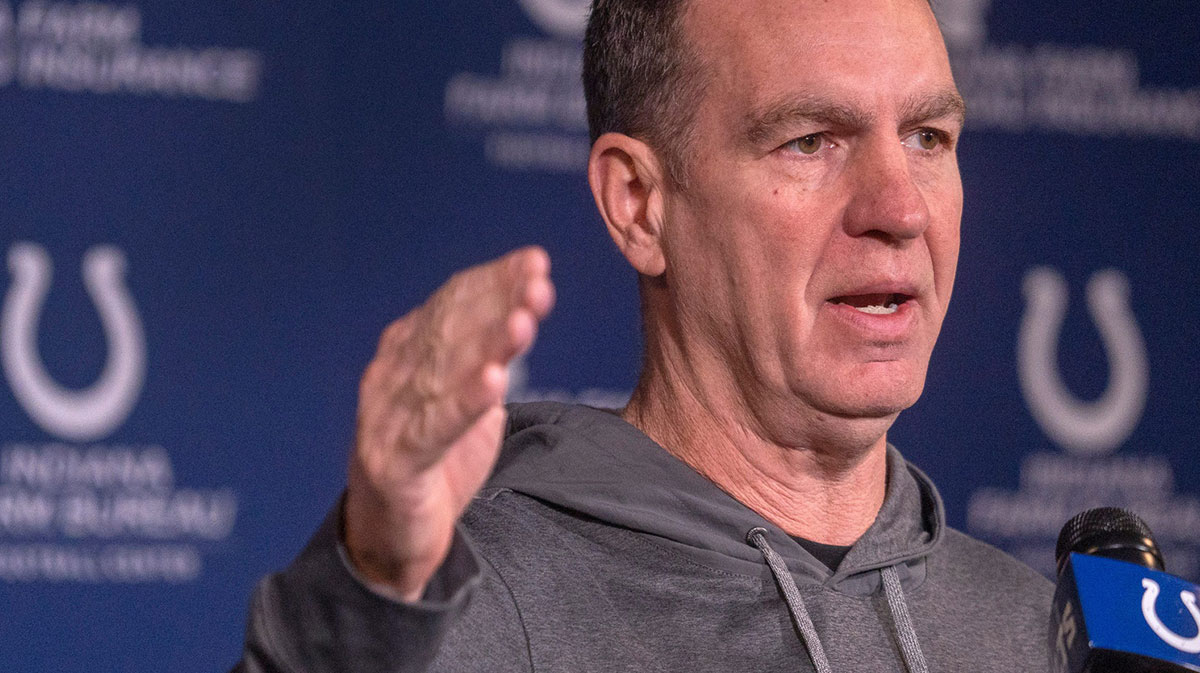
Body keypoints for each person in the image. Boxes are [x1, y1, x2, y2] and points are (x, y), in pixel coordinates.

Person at [236, 0, 1052, 670]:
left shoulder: (1041, 632)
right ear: (638, 203)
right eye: (809, 141)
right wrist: (367, 593)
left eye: (928, 138)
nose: (901, 209)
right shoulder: (469, 615)